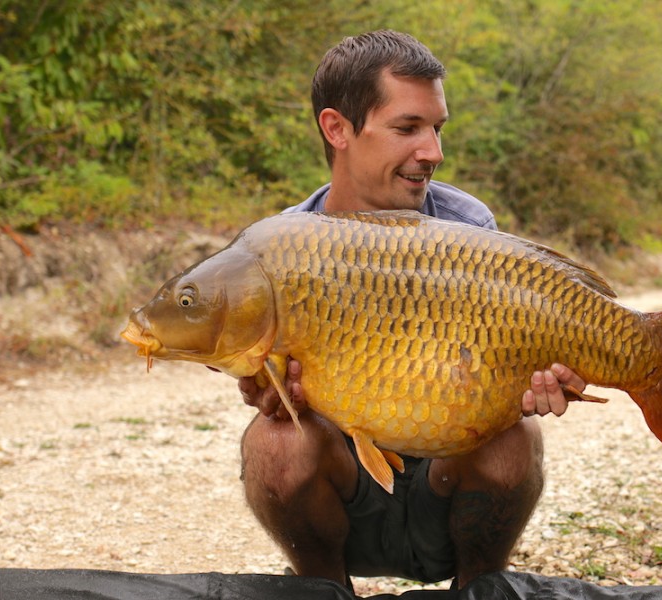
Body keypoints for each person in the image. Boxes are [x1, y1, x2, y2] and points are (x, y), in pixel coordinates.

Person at [237, 30, 587, 590]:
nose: (433, 152)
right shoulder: (282, 250)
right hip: (346, 497)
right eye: (408, 129)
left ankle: (477, 590)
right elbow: (262, 376)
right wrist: (273, 394)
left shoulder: (466, 228)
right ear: (337, 129)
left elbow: (508, 374)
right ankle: (325, 591)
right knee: (273, 441)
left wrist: (539, 381)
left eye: (436, 129)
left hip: (445, 493)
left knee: (514, 438)